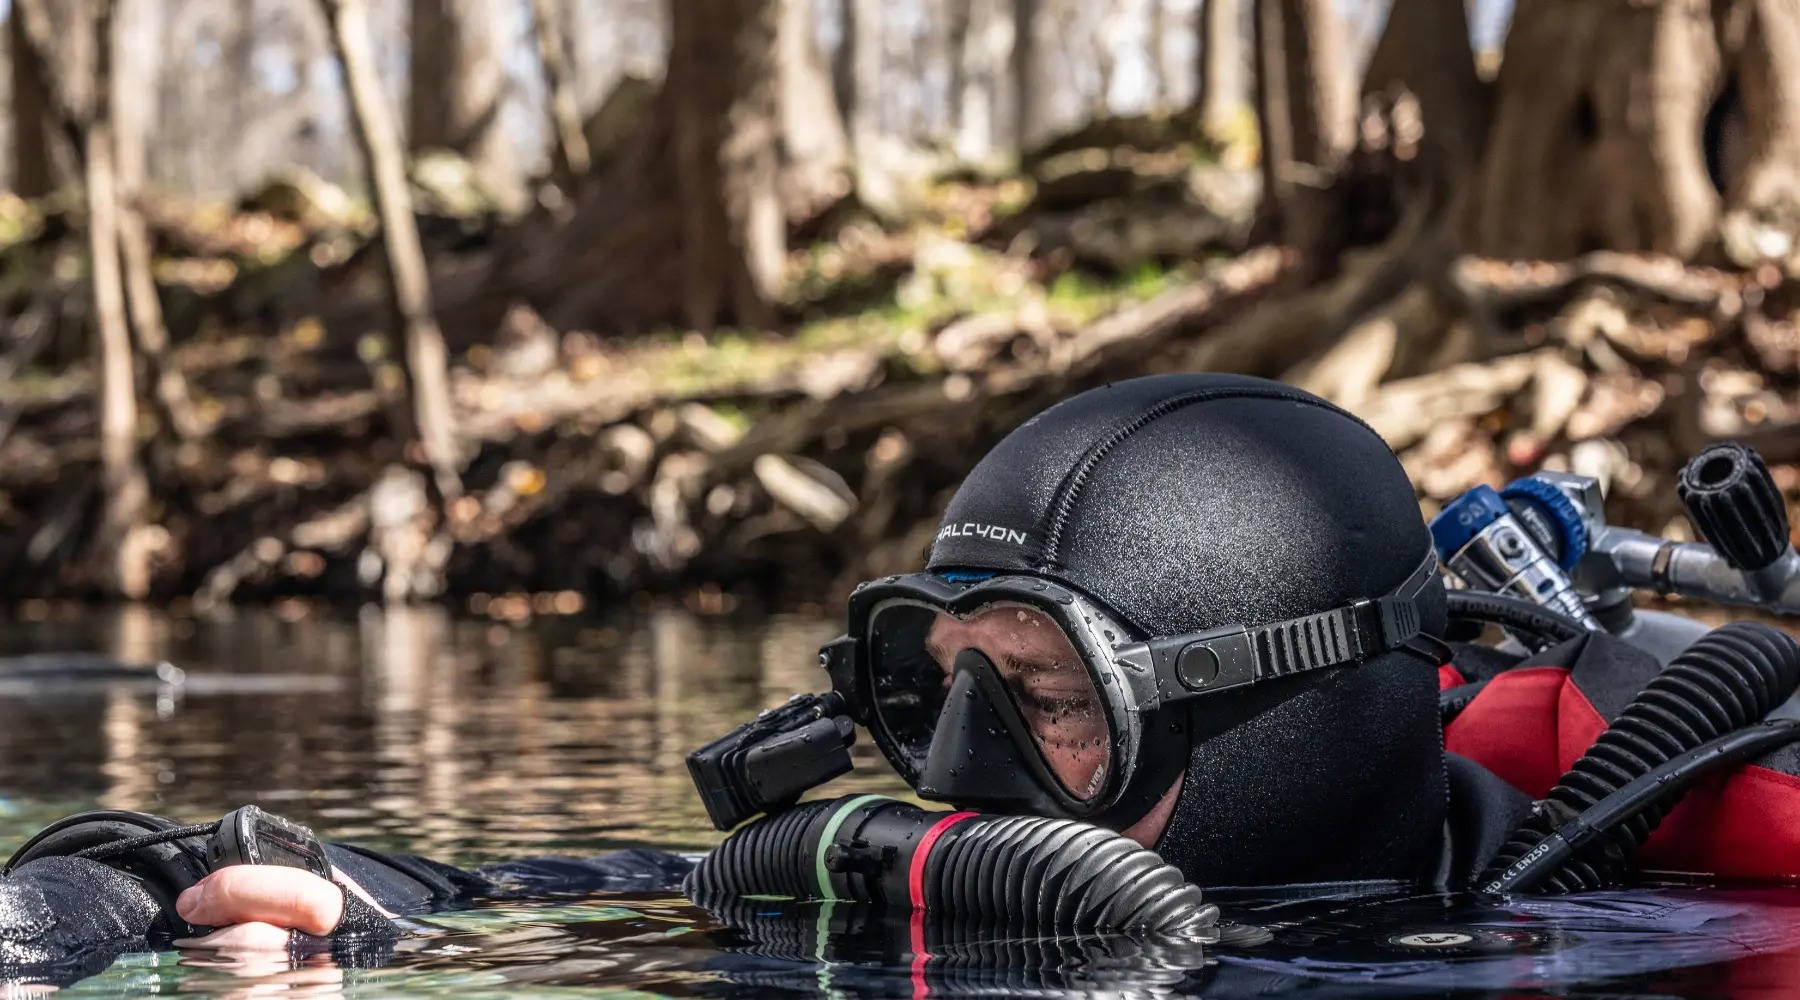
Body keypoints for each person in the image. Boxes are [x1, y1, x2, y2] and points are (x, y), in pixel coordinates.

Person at [7, 372, 1800, 981]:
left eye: (1054, 696)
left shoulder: (1582, 939)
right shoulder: (942, 898)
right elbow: (594, 901)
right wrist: (192, 887)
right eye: (935, 685)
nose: (953, 776)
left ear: (1293, 721)